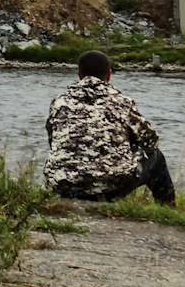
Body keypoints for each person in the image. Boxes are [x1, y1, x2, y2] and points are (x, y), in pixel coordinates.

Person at [44, 49, 175, 204]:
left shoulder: (59, 102)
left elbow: (53, 141)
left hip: (62, 184)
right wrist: (126, 145)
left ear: (79, 75)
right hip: (109, 188)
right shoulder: (122, 102)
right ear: (109, 75)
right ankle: (167, 210)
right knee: (156, 157)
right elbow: (150, 142)